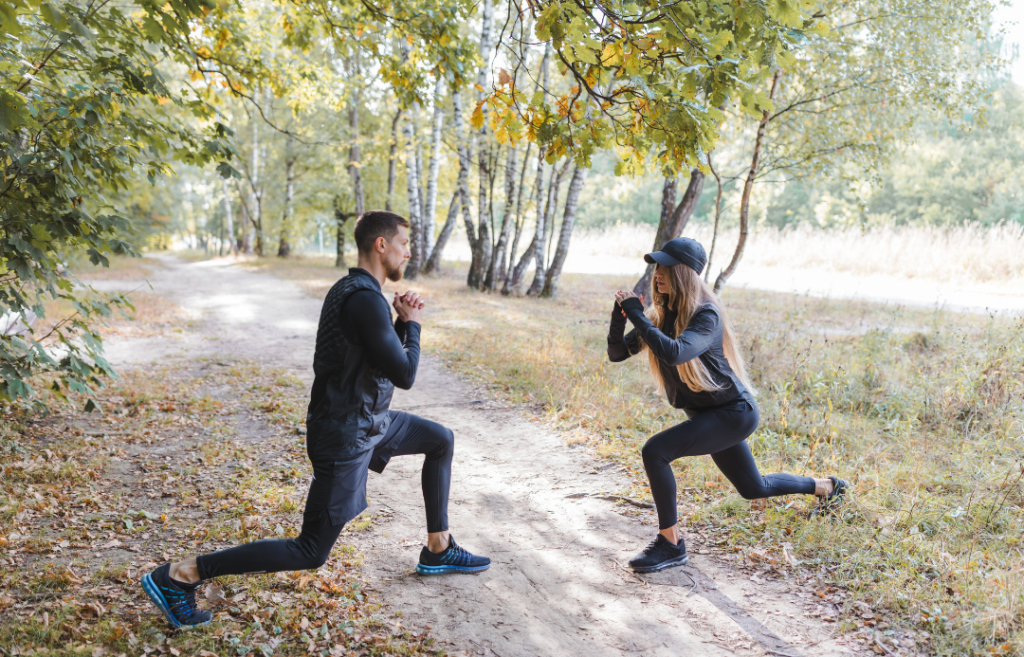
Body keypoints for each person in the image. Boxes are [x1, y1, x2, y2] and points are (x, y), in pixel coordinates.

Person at [142, 210, 490, 629]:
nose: (409, 252)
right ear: (381, 245)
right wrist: (412, 325)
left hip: (367, 421)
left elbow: (377, 361)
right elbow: (405, 374)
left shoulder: (355, 291)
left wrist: (398, 322)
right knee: (310, 550)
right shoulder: (363, 299)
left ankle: (438, 546)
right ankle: (180, 575)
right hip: (345, 435)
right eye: (404, 243)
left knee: (440, 439)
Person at [607, 237, 847, 574]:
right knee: (753, 488)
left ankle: (671, 544)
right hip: (710, 415)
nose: (657, 273)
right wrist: (620, 317)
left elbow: (676, 352)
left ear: (684, 273)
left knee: (655, 451)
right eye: (656, 266)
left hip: (734, 415)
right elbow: (617, 353)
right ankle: (828, 487)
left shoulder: (706, 315)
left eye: (664, 266)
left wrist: (635, 313)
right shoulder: (661, 317)